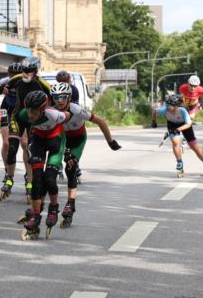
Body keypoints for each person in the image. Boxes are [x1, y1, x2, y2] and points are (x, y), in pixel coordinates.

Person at [49, 81, 121, 227]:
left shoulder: (76, 109)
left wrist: (110, 141)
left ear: (69, 98)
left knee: (71, 168)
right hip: (62, 138)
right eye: (56, 98)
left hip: (78, 139)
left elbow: (101, 121)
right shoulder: (52, 112)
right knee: (52, 168)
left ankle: (70, 203)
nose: (60, 101)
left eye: (63, 97)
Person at [16, 91, 67, 240]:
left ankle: (53, 208)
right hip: (38, 139)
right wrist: (24, 139)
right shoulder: (24, 114)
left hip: (55, 140)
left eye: (35, 111)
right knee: (37, 180)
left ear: (43, 109)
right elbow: (23, 129)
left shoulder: (54, 114)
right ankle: (36, 217)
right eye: (29, 110)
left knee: (50, 179)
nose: (31, 114)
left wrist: (69, 149)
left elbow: (69, 118)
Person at [11, 56, 53, 197]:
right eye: (24, 70)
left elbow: (53, 97)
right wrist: (2, 89)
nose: (26, 73)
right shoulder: (17, 78)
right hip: (18, 117)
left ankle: (30, 182)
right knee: (12, 148)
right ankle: (9, 179)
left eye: (29, 71)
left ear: (35, 71)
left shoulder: (41, 83)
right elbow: (0, 87)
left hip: (33, 120)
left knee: (31, 152)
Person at [151, 93, 203, 178]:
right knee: (175, 142)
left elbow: (188, 124)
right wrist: (154, 121)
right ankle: (179, 162)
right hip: (172, 124)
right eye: (166, 105)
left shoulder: (182, 111)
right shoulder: (164, 109)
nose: (167, 107)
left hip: (184, 125)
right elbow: (154, 111)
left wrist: (178, 129)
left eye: (169, 105)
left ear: (176, 106)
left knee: (194, 145)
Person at [0, 62, 25, 200]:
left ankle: (28, 176)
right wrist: (1, 89)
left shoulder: (26, 80)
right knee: (6, 144)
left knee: (25, 143)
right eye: (11, 75)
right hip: (8, 108)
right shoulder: (6, 81)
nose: (14, 77)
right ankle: (8, 171)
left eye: (16, 75)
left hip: (21, 111)